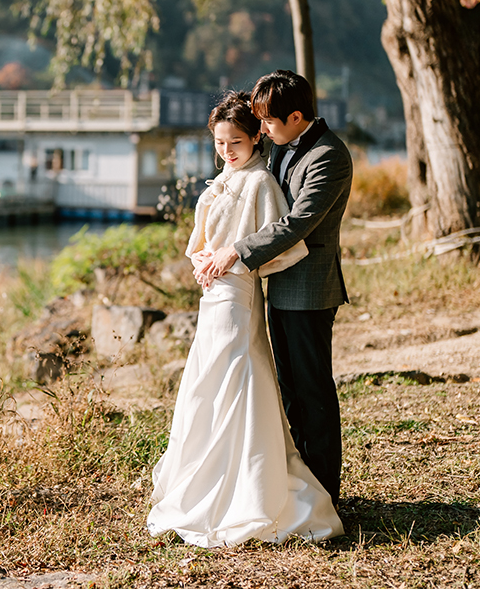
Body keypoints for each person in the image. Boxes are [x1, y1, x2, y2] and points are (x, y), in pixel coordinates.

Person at [147, 90, 343, 547]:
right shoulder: (232, 175)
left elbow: (288, 234)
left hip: (239, 292)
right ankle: (210, 479)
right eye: (219, 143)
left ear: (256, 136)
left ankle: (287, 490)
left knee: (251, 378)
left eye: (235, 141)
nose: (227, 150)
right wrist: (202, 259)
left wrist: (231, 258)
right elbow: (201, 238)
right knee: (209, 381)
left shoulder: (264, 179)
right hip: (212, 295)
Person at [195, 70, 352, 507]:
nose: (262, 129)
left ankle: (325, 494)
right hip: (275, 284)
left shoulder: (328, 156)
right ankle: (300, 483)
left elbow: (296, 222)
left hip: (308, 288)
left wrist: (235, 251)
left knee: (312, 389)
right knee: (288, 388)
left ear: (297, 115)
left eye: (268, 121)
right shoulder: (283, 147)